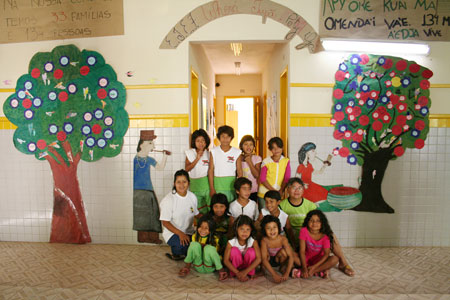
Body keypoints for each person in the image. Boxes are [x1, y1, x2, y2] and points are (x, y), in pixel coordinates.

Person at [280, 178, 355, 276]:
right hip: (292, 236)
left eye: (300, 188)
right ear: (288, 189)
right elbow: (286, 227)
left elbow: (318, 223)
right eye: (294, 188)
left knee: (330, 235)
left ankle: (343, 263)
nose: (297, 191)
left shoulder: (310, 205)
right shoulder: (282, 205)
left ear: (303, 190)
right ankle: (311, 268)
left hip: (309, 235)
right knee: (286, 255)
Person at [133, 130, 171, 244]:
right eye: (150, 143)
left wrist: (164, 156)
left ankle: (153, 237)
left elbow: (159, 168)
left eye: (152, 143)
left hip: (148, 189)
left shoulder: (149, 159)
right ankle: (143, 237)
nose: (153, 145)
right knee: (141, 214)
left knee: (153, 213)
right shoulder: (136, 159)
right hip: (139, 190)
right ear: (141, 144)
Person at [160, 170, 200, 261]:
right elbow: (165, 222)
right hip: (172, 233)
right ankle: (176, 252)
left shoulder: (192, 196)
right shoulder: (169, 200)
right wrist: (180, 234)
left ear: (188, 183)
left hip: (188, 232)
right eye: (178, 182)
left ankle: (184, 250)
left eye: (184, 182)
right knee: (183, 245)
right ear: (174, 183)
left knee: (197, 245)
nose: (182, 185)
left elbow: (196, 213)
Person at [178, 215, 228, 280]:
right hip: (198, 266)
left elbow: (213, 255)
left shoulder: (215, 238)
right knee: (194, 244)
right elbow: (194, 251)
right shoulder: (195, 236)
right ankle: (187, 267)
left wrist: (203, 246)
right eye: (200, 227)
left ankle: (221, 270)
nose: (202, 230)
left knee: (209, 248)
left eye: (206, 228)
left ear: (211, 229)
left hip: (209, 267)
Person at [297, 210, 339, 279]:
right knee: (292, 256)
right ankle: (319, 271)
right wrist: (304, 267)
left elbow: (326, 254)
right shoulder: (304, 231)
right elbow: (302, 251)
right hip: (306, 258)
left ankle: (314, 271)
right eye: (311, 220)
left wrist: (314, 267)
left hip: (319, 260)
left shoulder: (325, 236)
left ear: (322, 223)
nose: (314, 223)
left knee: (335, 259)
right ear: (307, 222)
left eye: (318, 221)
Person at [223, 215, 261, 281]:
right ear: (236, 229)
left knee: (251, 251)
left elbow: (259, 259)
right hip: (235, 269)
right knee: (234, 250)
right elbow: (226, 260)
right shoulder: (231, 242)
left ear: (251, 230)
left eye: (248, 229)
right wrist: (238, 273)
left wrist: (245, 272)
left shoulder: (253, 241)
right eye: (242, 229)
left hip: (248, 268)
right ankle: (235, 273)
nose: (245, 232)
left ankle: (249, 273)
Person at [208, 125, 241, 202]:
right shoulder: (213, 151)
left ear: (231, 138)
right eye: (223, 136)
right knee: (218, 207)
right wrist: (212, 188)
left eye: (228, 137)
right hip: (217, 185)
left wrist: (239, 188)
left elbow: (239, 172)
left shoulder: (237, 152)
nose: (225, 139)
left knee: (231, 208)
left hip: (231, 186)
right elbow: (211, 170)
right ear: (219, 137)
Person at [260, 215, 295, 283]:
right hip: (269, 260)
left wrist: (287, 273)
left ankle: (282, 268)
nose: (272, 230)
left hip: (278, 259)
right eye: (268, 228)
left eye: (274, 227)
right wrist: (274, 275)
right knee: (264, 254)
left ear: (279, 228)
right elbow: (264, 259)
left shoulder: (283, 239)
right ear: (264, 230)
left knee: (284, 252)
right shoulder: (264, 240)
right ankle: (262, 271)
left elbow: (291, 256)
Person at [257, 137, 291, 209]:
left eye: (278, 147)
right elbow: (262, 179)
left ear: (282, 147)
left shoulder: (286, 161)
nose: (276, 150)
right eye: (273, 148)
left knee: (275, 215)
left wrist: (281, 190)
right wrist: (273, 190)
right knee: (264, 215)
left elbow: (286, 178)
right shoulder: (266, 161)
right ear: (270, 149)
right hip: (264, 194)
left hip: (278, 193)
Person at [185, 129, 211, 214]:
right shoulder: (190, 153)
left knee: (210, 207)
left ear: (206, 141)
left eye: (203, 140)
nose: (201, 143)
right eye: (198, 141)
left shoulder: (209, 153)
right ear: (194, 142)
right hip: (195, 186)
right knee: (197, 209)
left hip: (207, 185)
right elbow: (187, 169)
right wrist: (197, 158)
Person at [236, 135, 262, 202]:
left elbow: (256, 175)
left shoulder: (257, 158)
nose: (248, 147)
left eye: (251, 144)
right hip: (240, 190)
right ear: (241, 146)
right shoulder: (238, 158)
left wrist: (249, 161)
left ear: (254, 146)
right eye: (246, 144)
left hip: (253, 190)